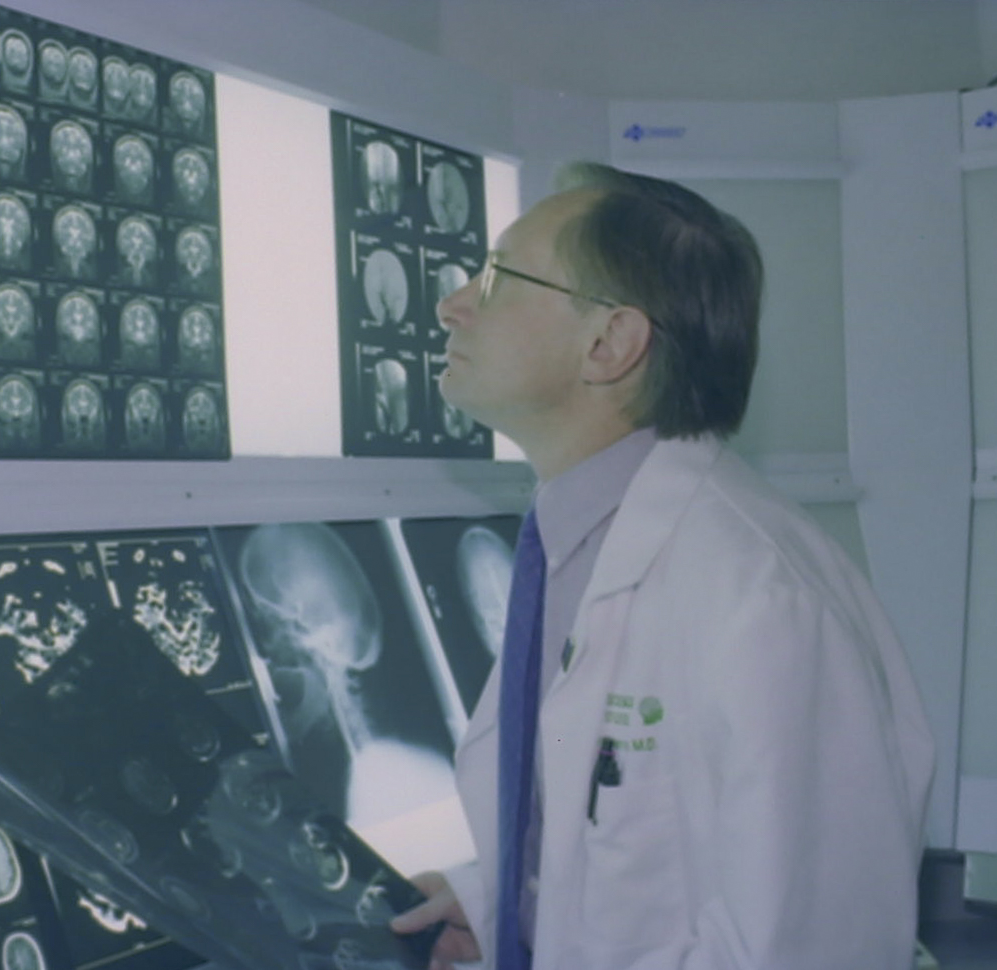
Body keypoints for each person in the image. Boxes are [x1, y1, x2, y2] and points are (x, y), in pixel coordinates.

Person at [390, 162, 935, 969]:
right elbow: (637, 842)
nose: (453, 304)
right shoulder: (579, 546)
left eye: (498, 276)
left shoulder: (762, 601)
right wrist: (506, 902)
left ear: (609, 343)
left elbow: (816, 943)